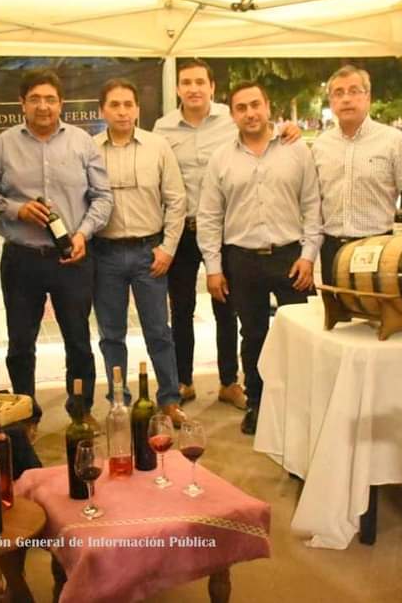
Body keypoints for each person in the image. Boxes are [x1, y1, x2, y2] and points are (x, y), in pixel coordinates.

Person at [153, 58, 300, 411]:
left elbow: (262, 133)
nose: (193, 88)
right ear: (177, 88)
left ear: (212, 87)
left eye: (200, 82)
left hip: (224, 230)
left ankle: (228, 381)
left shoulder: (231, 117)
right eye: (186, 82)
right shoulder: (163, 128)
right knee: (182, 309)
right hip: (181, 229)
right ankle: (184, 380)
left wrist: (290, 128)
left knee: (227, 307)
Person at [0, 69, 113, 426]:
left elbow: (103, 197)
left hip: (72, 257)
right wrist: (16, 209)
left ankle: (81, 409)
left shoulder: (82, 142)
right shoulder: (4, 144)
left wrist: (83, 234)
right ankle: (25, 414)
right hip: (22, 258)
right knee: (21, 343)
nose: (43, 106)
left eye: (50, 99)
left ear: (61, 103)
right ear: (22, 103)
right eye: (35, 99)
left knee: (78, 340)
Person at [197, 81, 322, 436]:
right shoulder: (221, 159)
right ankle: (258, 403)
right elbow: (209, 216)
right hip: (242, 260)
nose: (250, 113)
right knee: (252, 335)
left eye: (255, 105)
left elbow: (312, 205)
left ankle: (302, 405)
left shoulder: (296, 150)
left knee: (302, 334)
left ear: (267, 106)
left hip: (291, 258)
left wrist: (308, 256)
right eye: (241, 107)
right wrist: (214, 268)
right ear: (232, 114)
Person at [92, 79, 188, 424]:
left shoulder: (157, 146)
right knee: (111, 335)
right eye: (114, 105)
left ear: (137, 109)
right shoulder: (89, 149)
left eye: (128, 104)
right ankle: (119, 401)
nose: (122, 111)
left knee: (159, 331)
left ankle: (169, 399)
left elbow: (176, 200)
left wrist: (168, 249)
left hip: (150, 253)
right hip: (104, 254)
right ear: (102, 110)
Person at [312, 65, 402, 285]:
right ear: (331, 102)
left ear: (368, 97)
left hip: (379, 248)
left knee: (377, 306)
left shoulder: (393, 141)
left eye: (354, 91)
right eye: (339, 93)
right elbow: (314, 202)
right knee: (336, 306)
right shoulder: (320, 145)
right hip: (333, 249)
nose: (346, 99)